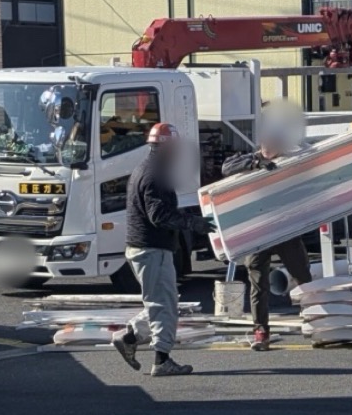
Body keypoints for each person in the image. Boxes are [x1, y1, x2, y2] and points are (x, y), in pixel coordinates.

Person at [112, 123, 215, 376]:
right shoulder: (155, 175)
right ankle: (161, 360)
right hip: (152, 249)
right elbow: (159, 215)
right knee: (163, 305)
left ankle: (130, 337)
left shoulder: (145, 169)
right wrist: (193, 223)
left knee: (162, 301)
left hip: (145, 248)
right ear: (167, 148)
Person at [221, 128, 312, 352]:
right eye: (266, 145)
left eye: (274, 146)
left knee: (303, 276)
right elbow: (226, 168)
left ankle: (314, 319)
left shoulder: (288, 162)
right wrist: (255, 165)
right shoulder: (251, 160)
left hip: (285, 229)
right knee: (258, 283)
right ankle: (261, 331)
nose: (270, 149)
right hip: (258, 231)